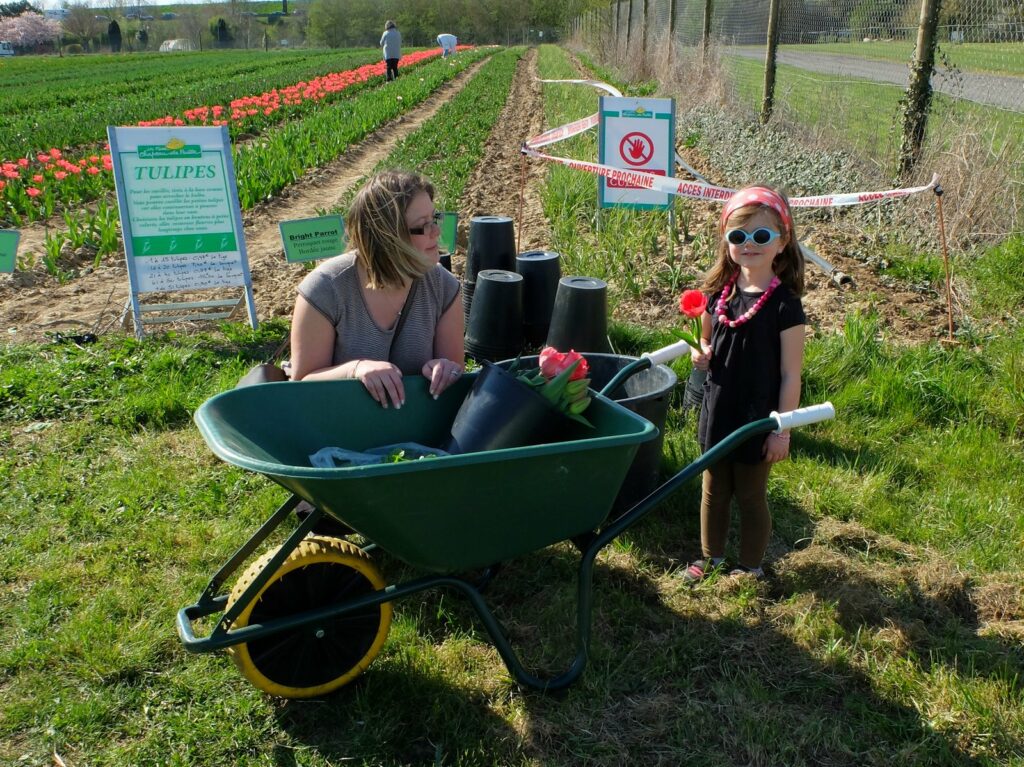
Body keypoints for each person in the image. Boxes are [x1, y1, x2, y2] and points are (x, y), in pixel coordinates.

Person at [681, 185, 806, 584]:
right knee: (714, 489)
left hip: (757, 417)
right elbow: (704, 340)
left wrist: (781, 431)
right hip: (718, 409)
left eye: (761, 236)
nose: (749, 244)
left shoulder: (786, 306)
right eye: (738, 236)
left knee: (751, 495)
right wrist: (698, 354)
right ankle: (711, 558)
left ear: (782, 242)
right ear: (727, 241)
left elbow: (791, 375)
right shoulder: (718, 295)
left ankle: (750, 567)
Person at [290, 170, 464, 408]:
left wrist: (444, 369)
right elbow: (301, 382)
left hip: (413, 424)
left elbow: (455, 371)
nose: (436, 231)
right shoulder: (325, 289)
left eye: (435, 219)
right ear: (388, 236)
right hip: (337, 420)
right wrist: (356, 369)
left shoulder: (444, 287)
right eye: (423, 225)